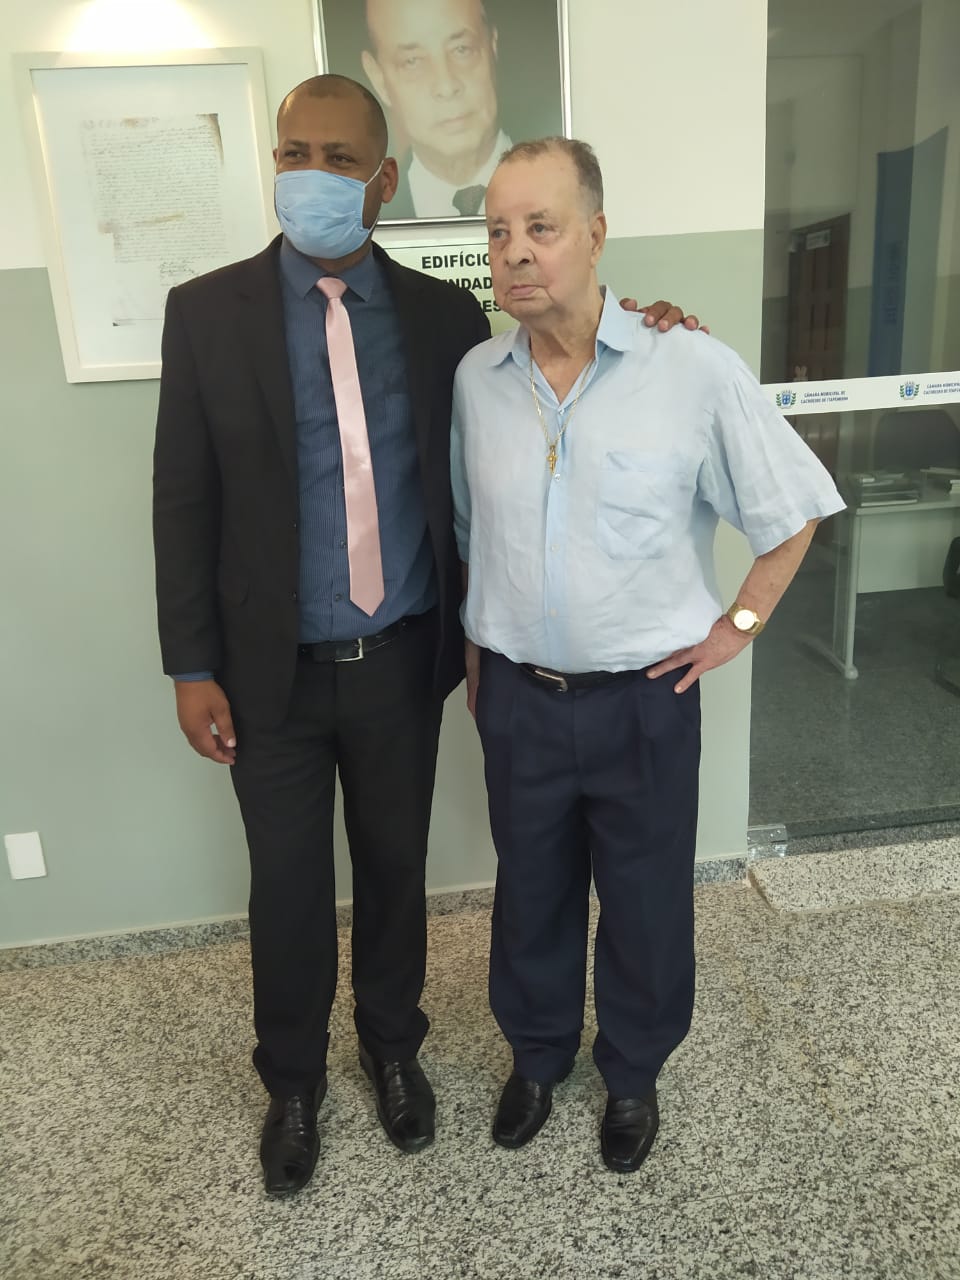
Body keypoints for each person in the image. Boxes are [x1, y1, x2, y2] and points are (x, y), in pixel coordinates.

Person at [153, 77, 696, 1196]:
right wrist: (190, 664)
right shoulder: (205, 313)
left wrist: (657, 325)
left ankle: (393, 1050)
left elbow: (550, 365)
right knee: (287, 885)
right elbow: (183, 499)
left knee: (397, 870)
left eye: (339, 157)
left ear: (384, 180)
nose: (312, 174)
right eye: (294, 152)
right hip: (265, 677)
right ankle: (293, 1081)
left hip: (401, 661)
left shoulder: (446, 318)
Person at [451, 137, 845, 1173]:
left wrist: (738, 626)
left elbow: (794, 508)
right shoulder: (478, 381)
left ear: (595, 234)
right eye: (498, 231)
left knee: (645, 898)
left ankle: (632, 1071)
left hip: (644, 699)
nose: (515, 251)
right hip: (519, 698)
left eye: (541, 227)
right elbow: (471, 531)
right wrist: (480, 654)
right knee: (530, 891)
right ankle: (538, 1055)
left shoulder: (691, 368)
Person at [361, 0, 509, 219]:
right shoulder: (365, 217)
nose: (446, 86)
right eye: (412, 61)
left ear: (492, 47)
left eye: (461, 49)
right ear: (379, 78)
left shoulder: (559, 188)